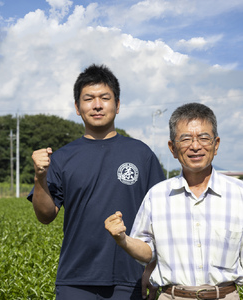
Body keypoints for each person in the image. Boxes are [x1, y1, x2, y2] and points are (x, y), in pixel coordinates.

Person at [27, 64, 165, 299]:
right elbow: (45, 215)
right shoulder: (62, 157)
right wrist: (40, 178)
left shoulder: (142, 154)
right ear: (78, 108)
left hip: (131, 278)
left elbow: (161, 220)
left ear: (118, 105)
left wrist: (152, 270)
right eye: (89, 98)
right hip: (76, 280)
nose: (97, 105)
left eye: (105, 98)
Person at [105, 102, 243, 300]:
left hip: (225, 295)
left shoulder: (238, 194)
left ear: (216, 144)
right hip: (173, 295)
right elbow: (147, 252)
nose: (195, 146)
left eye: (204, 138)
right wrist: (123, 239)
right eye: (185, 139)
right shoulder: (158, 195)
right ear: (172, 148)